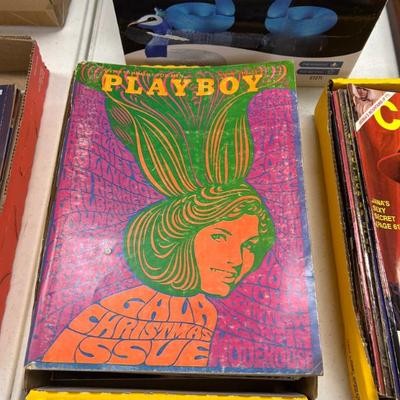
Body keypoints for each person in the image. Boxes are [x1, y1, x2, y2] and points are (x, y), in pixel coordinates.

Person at [42, 67, 275, 367]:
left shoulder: (199, 312)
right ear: (179, 235)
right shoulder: (124, 314)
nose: (236, 260)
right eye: (220, 236)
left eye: (248, 245)